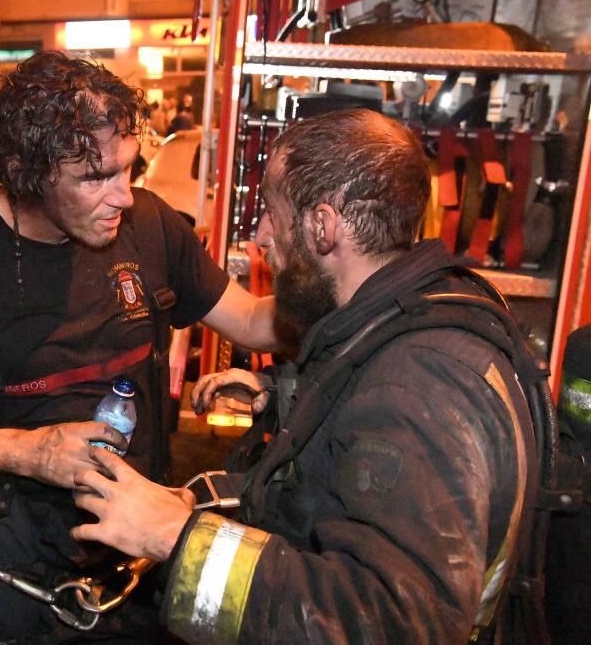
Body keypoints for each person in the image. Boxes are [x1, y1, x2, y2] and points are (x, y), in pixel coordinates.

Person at [71, 109, 541, 644]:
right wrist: (206, 493)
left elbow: (396, 624)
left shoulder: (416, 385)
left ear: (322, 226)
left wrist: (177, 537)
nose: (262, 236)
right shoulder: (391, 326)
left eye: (272, 213)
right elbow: (324, 489)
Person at [0, 50, 273, 642]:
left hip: (134, 584)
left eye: (128, 169)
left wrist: (362, 279)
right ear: (23, 171)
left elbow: (258, 322)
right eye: (95, 177)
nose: (124, 195)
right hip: (6, 593)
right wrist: (24, 451)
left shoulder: (153, 228)